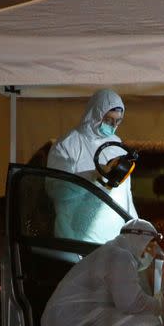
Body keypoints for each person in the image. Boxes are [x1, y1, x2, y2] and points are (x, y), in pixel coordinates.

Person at [41, 219, 163, 326]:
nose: (151, 253)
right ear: (139, 240)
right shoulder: (121, 257)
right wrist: (159, 304)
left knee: (110, 323)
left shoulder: (106, 252)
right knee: (150, 325)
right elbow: (131, 302)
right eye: (150, 246)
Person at [47, 89, 137, 243]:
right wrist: (93, 176)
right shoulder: (68, 145)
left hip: (113, 243)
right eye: (109, 120)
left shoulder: (116, 145)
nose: (114, 125)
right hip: (77, 243)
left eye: (118, 120)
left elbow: (125, 194)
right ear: (95, 114)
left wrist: (136, 228)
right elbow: (56, 190)